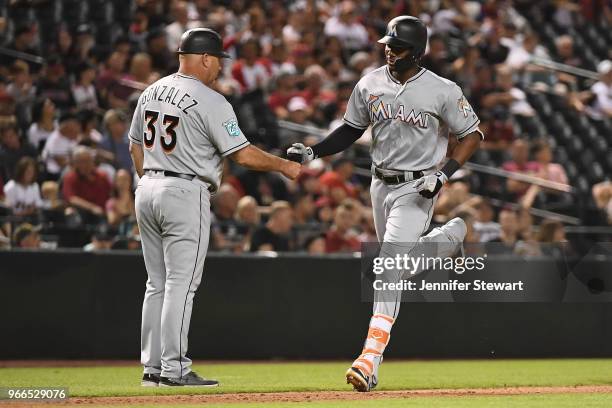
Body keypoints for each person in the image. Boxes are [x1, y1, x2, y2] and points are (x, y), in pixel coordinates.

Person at [287, 16, 482, 392]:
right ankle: (448, 238)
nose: (390, 51)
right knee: (397, 267)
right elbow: (350, 129)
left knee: (388, 266)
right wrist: (313, 151)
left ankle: (369, 359)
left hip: (418, 186)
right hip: (380, 184)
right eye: (388, 45)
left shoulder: (442, 89)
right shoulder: (370, 82)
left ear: (418, 51)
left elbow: (472, 134)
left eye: (399, 47)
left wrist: (444, 174)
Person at [129, 28, 300, 388]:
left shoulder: (151, 90)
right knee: (181, 283)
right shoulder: (211, 100)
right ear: (205, 58)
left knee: (156, 283)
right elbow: (244, 155)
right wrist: (284, 165)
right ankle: (174, 370)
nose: (220, 68)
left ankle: (152, 368)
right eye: (218, 61)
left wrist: (150, 180)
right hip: (184, 189)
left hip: (147, 186)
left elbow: (134, 147)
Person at [62, 146, 112, 225]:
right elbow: (72, 198)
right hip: (82, 215)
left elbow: (111, 194)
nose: (84, 165)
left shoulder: (102, 176)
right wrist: (92, 207)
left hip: (104, 214)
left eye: (87, 161)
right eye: (80, 161)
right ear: (75, 164)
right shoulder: (70, 177)